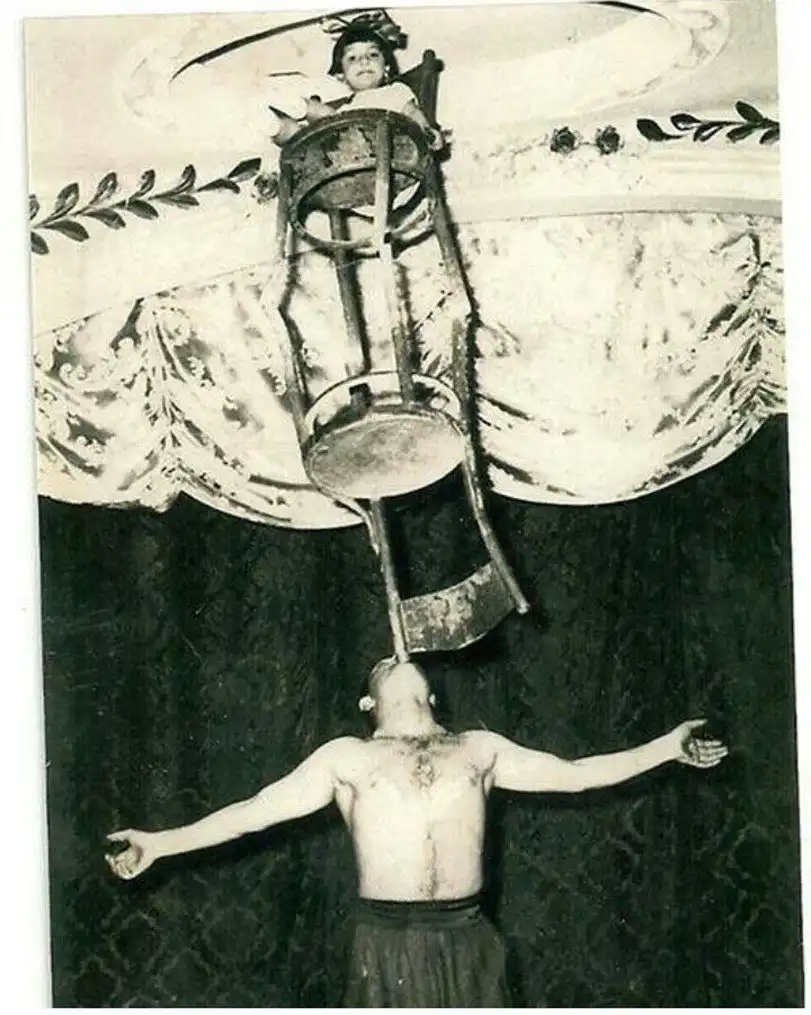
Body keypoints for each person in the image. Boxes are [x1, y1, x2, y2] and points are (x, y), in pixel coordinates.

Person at [106, 656, 728, 1007]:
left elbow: (578, 775)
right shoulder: (346, 758)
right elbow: (252, 812)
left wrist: (666, 748)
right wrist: (159, 844)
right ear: (367, 703)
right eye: (381, 663)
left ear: (432, 690)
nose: (396, 657)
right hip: (385, 947)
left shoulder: (479, 748)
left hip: (470, 939)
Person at [269, 23, 446, 151]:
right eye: (352, 58)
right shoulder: (348, 106)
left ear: (386, 67)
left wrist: (427, 130)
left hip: (389, 153)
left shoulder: (394, 91)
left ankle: (301, 109)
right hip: (343, 156)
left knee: (331, 121)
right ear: (341, 76)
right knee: (320, 126)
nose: (364, 60)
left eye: (373, 54)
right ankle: (280, 122)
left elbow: (413, 112)